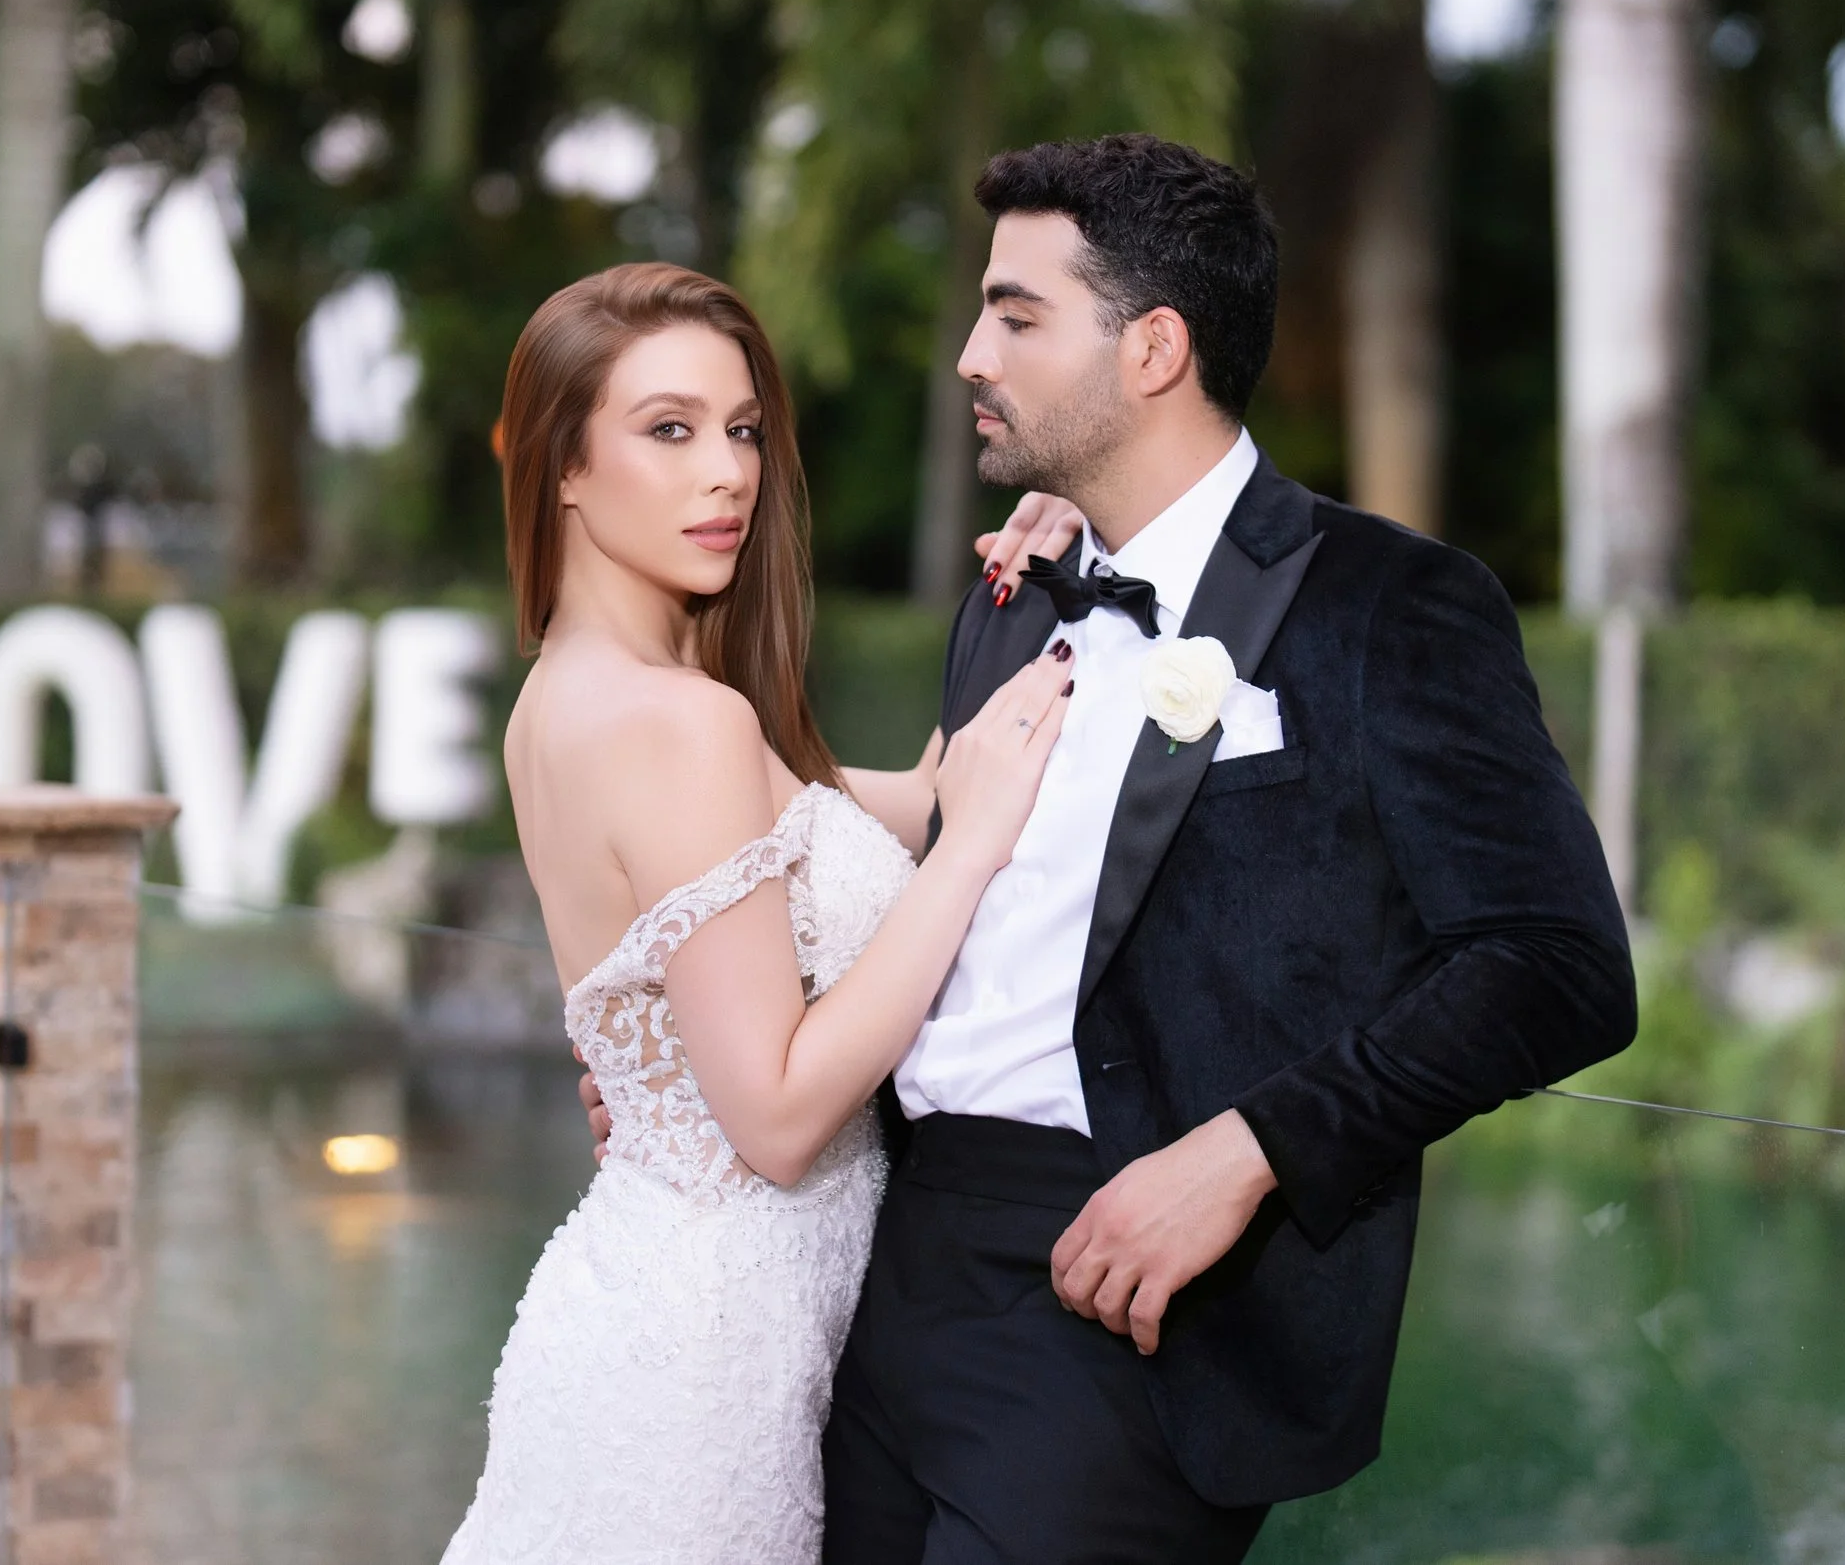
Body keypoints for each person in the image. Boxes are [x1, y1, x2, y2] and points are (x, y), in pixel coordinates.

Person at [801, 134, 1639, 1563]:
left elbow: (1559, 965)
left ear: (1155, 349)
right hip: (893, 1264)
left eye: (1015, 315)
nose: (967, 355)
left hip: (1137, 1295)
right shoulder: (1013, 596)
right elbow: (943, 898)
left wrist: (1251, 1151)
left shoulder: (1392, 606)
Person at [441, 261, 1080, 1565]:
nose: (726, 471)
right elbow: (781, 1117)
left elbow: (915, 799)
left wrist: (1044, 583)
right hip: (698, 1374)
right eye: (667, 430)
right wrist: (968, 864)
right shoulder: (678, 723)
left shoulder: (579, 695)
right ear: (563, 463)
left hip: (671, 1323)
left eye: (740, 429)